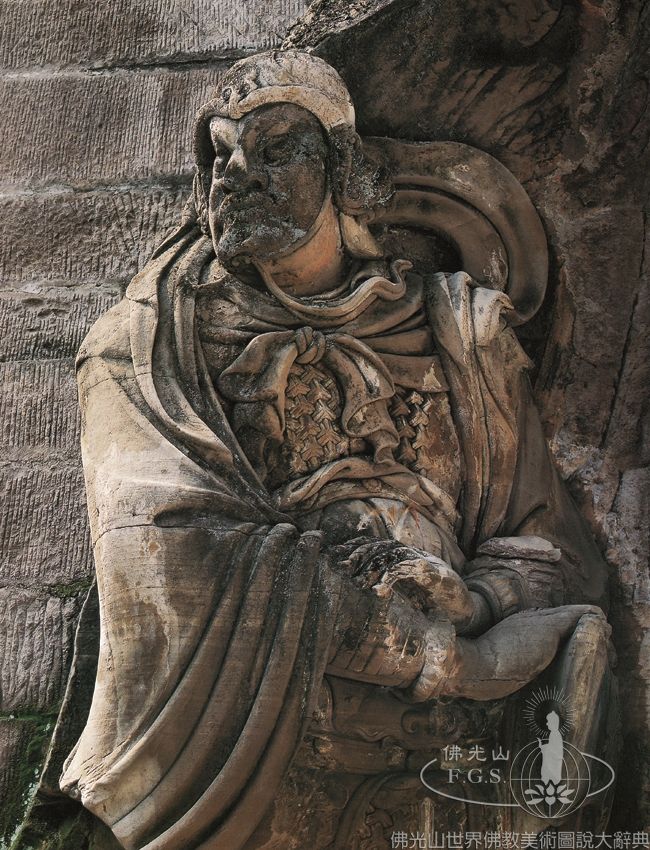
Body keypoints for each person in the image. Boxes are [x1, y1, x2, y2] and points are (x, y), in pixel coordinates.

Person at [58, 50, 612, 850]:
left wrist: (477, 603)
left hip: (449, 760)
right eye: (221, 154)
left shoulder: (463, 331)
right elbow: (161, 562)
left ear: (344, 166)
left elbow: (546, 550)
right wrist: (444, 656)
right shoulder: (144, 344)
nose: (237, 174)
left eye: (276, 147)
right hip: (264, 730)